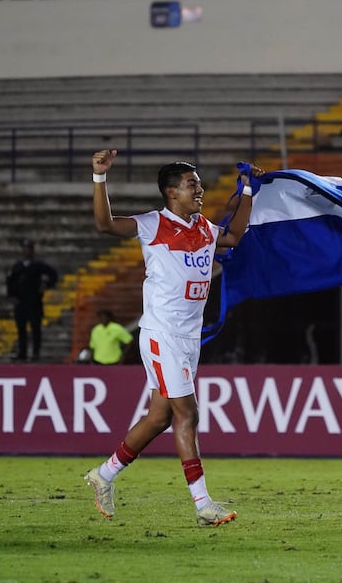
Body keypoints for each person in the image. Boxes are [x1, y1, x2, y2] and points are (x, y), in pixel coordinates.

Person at [84, 149, 262, 527]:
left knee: (159, 417)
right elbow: (104, 225)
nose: (199, 189)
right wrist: (100, 178)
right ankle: (202, 505)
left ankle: (104, 474)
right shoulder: (152, 225)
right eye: (191, 184)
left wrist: (247, 193)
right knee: (188, 413)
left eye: (197, 184)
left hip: (188, 337)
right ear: (170, 192)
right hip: (161, 333)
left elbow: (232, 236)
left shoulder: (203, 227)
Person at [6, 238, 58, 361]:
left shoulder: (38, 266)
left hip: (35, 302)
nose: (26, 251)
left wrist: (46, 285)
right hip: (20, 303)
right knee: (21, 330)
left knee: (35, 329)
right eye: (24, 248)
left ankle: (35, 352)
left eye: (29, 248)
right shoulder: (17, 267)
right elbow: (9, 282)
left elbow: (53, 275)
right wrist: (12, 296)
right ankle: (22, 352)